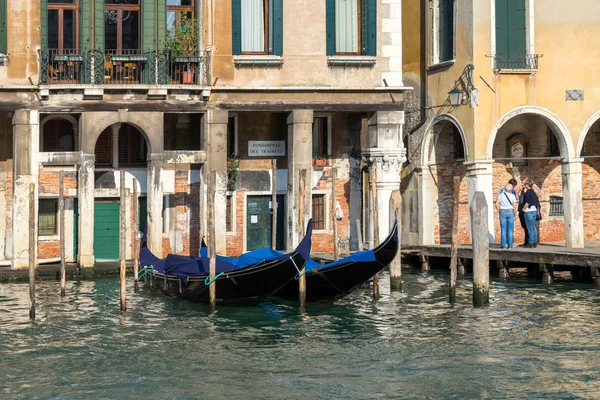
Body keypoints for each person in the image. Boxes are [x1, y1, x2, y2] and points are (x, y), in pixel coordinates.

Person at [496, 182, 517, 249]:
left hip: (503, 211)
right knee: (510, 229)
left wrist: (499, 211)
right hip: (510, 211)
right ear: (511, 189)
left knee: (503, 229)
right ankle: (510, 245)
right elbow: (514, 206)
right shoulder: (513, 196)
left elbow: (496, 204)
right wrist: (515, 214)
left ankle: (503, 245)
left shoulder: (501, 195)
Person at [521, 178, 540, 248]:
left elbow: (527, 203)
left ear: (527, 185)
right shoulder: (533, 192)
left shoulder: (528, 193)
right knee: (533, 227)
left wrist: (523, 209)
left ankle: (531, 242)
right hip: (534, 210)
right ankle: (535, 242)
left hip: (528, 211)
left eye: (525, 184)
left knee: (530, 228)